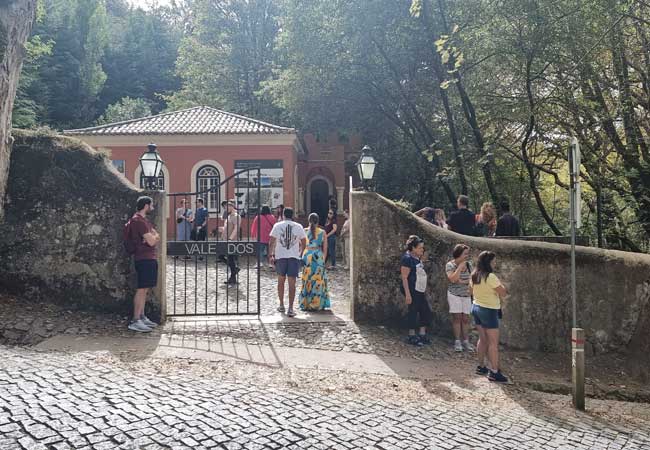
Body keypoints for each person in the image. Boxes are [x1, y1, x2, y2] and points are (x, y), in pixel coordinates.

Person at [470, 251, 509, 383]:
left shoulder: (474, 275)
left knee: (482, 339)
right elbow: (503, 293)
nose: (495, 263)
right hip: (489, 310)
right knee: (493, 343)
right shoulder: (491, 277)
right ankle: (494, 372)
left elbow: (470, 291)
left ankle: (481, 366)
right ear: (489, 262)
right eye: (493, 261)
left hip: (476, 307)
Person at [125, 196, 160, 332]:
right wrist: (154, 237)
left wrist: (153, 237)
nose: (152, 207)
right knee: (141, 289)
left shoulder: (143, 221)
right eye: (151, 205)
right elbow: (152, 240)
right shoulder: (139, 221)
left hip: (147, 258)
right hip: (144, 258)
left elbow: (153, 236)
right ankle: (135, 320)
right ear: (146, 206)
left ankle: (142, 316)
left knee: (145, 289)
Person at [269, 207, 307, 317]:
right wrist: (300, 253)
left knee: (280, 281)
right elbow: (304, 242)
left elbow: (271, 241)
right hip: (293, 257)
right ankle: (290, 308)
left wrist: (271, 255)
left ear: (284, 215)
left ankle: (281, 304)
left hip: (280, 256)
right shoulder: (298, 226)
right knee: (292, 283)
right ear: (293, 215)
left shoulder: (277, 225)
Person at [400, 235, 433, 347]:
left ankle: (422, 334)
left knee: (425, 310)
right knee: (413, 310)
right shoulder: (407, 259)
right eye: (420, 248)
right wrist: (408, 294)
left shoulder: (417, 258)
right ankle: (411, 335)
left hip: (419, 288)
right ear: (413, 248)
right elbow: (404, 277)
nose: (422, 250)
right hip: (412, 288)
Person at [445, 244, 474, 352]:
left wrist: (462, 281)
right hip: (454, 295)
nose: (467, 256)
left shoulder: (470, 265)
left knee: (466, 319)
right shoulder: (450, 265)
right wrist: (460, 267)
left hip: (466, 295)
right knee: (457, 318)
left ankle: (465, 340)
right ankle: (457, 341)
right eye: (465, 253)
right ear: (459, 254)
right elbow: (452, 279)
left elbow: (472, 280)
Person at [300, 213, 331, 311]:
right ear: (318, 221)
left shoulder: (304, 231)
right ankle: (317, 303)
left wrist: (301, 255)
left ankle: (306, 303)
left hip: (307, 255)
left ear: (308, 221)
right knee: (318, 280)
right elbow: (325, 248)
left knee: (307, 279)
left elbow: (301, 245)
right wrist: (323, 259)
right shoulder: (322, 232)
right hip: (318, 256)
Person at [220, 200, 241, 284]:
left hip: (231, 241)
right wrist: (221, 229)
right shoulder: (229, 216)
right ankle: (234, 272)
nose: (226, 208)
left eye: (228, 206)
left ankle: (233, 276)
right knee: (224, 257)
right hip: (225, 240)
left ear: (232, 206)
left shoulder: (236, 216)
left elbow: (236, 228)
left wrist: (231, 239)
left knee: (230, 258)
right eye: (226, 207)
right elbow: (227, 227)